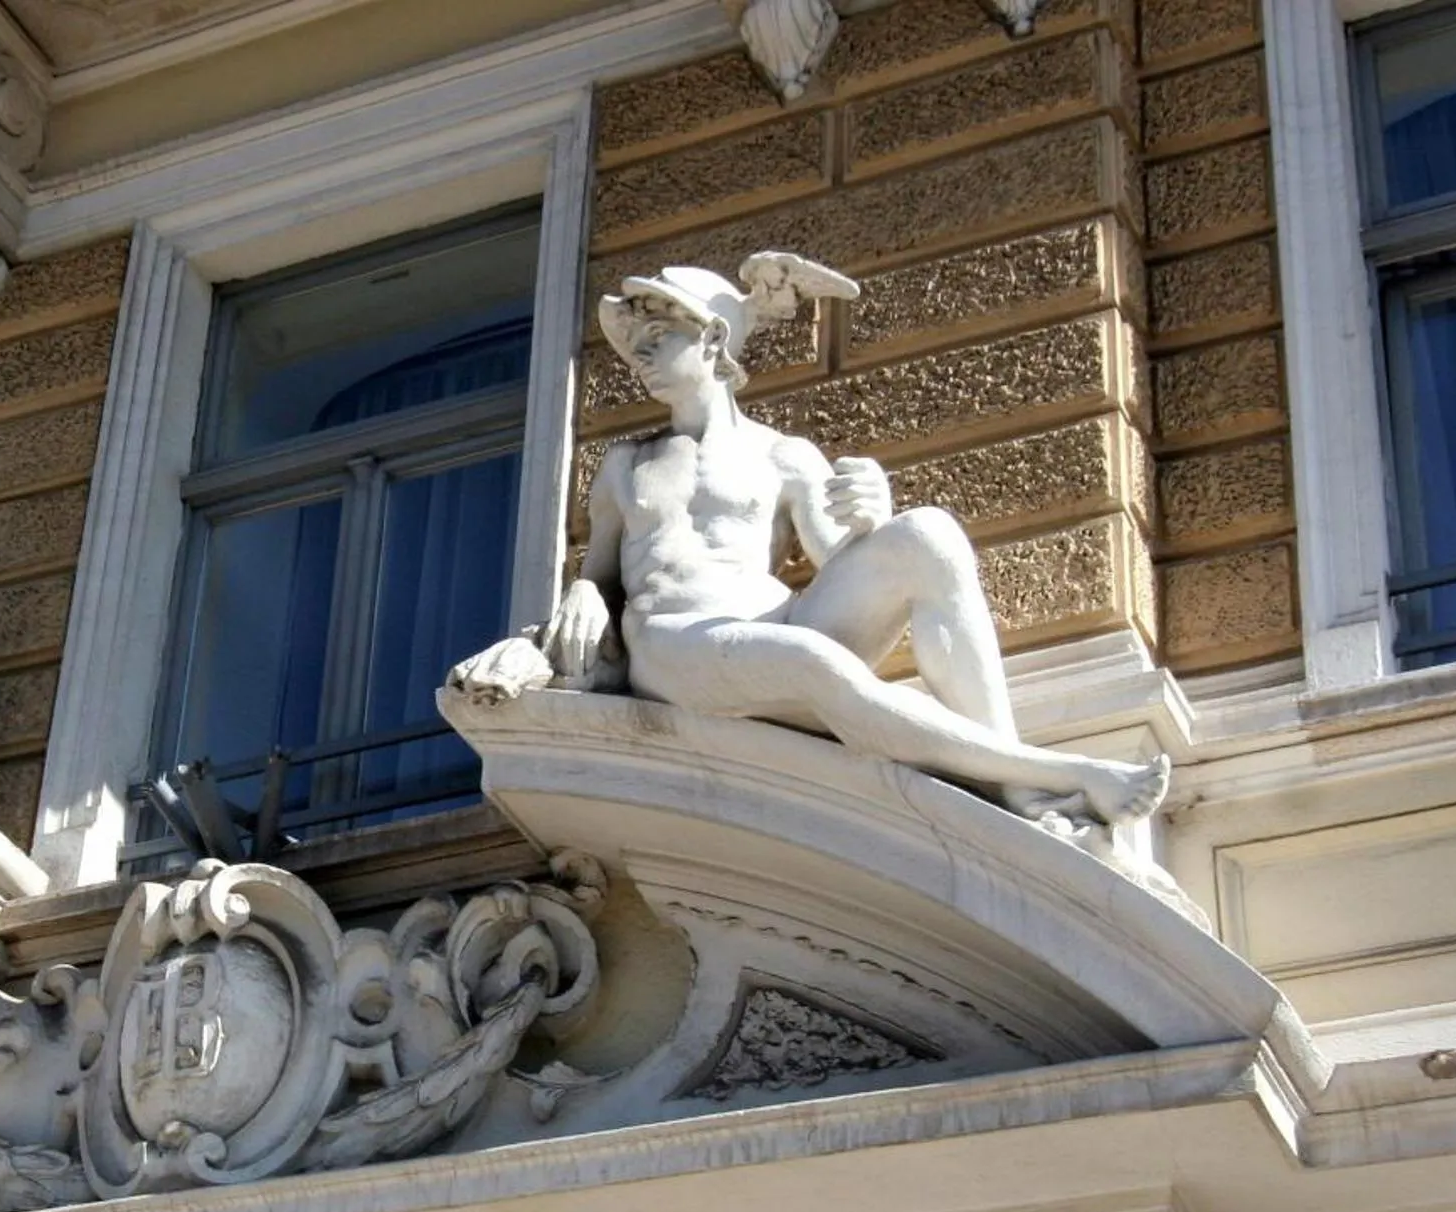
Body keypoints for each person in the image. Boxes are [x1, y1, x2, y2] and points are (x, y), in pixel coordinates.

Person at [451, 253, 1169, 830]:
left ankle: (1013, 780)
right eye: (635, 341)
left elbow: (838, 558)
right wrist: (581, 587)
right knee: (812, 661)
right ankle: (1050, 775)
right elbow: (602, 576)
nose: (639, 353)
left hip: (771, 624)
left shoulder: (784, 455)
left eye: (657, 337)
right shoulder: (627, 465)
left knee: (930, 535)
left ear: (712, 338)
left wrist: (870, 514)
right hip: (674, 643)